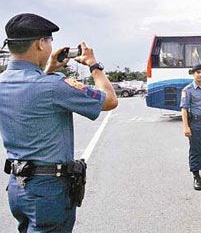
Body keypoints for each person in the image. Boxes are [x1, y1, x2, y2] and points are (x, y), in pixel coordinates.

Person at [0, 13, 118, 232]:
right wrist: (94, 64)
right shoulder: (54, 86)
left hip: (17, 188)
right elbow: (110, 100)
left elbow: (31, 92)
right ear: (39, 44)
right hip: (48, 190)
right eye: (49, 41)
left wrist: (49, 68)